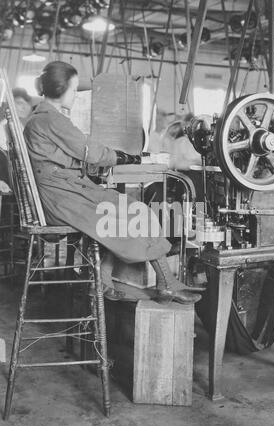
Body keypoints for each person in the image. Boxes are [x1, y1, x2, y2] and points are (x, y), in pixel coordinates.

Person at [23, 61, 203, 304]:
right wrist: (124, 156)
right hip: (62, 198)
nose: (75, 96)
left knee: (123, 210)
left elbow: (69, 156)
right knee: (133, 211)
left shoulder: (41, 119)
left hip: (61, 192)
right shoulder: (51, 120)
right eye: (74, 90)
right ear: (60, 90)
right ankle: (165, 282)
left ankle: (107, 282)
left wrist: (102, 161)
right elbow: (92, 151)